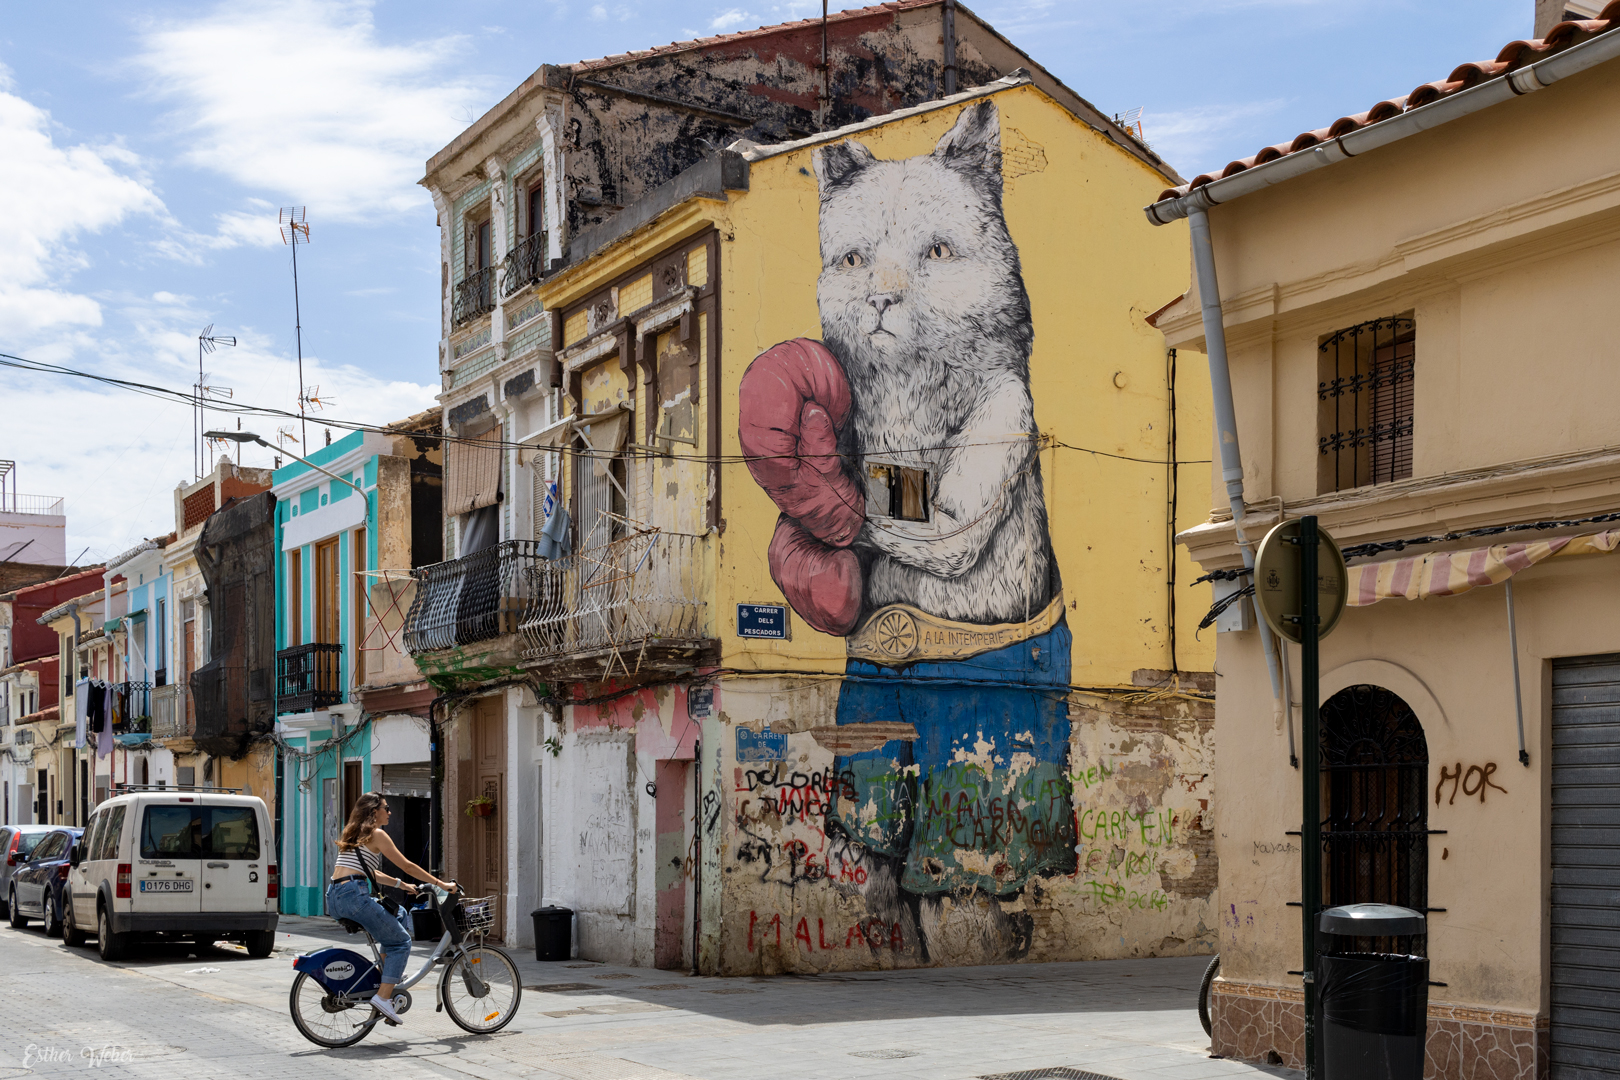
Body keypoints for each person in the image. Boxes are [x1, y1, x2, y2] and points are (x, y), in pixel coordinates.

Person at [327, 792, 453, 1025]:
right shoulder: (377, 834)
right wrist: (441, 884)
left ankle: (384, 978)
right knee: (402, 942)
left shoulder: (354, 833)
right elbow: (407, 864)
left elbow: (367, 871)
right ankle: (383, 998)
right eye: (386, 808)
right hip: (354, 896)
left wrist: (401, 884)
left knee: (399, 913)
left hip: (336, 896)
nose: (389, 811)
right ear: (374, 811)